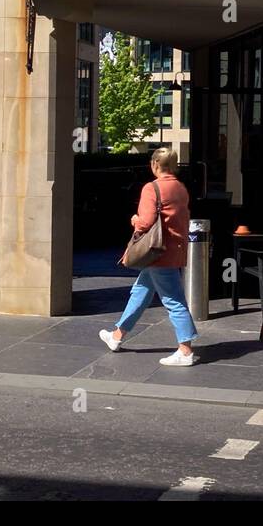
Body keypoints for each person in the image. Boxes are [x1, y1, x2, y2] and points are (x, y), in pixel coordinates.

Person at [100, 148, 199, 366]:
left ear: (154, 164)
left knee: (174, 300)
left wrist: (135, 219)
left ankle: (185, 351)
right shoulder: (180, 188)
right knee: (140, 291)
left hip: (156, 253)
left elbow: (145, 222)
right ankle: (117, 336)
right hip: (173, 250)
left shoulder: (151, 188)